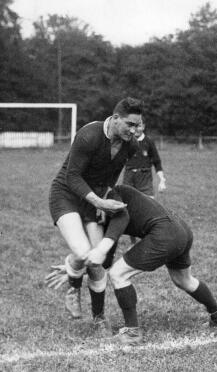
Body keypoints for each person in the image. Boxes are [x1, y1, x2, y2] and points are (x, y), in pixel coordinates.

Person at [46, 184, 217, 345]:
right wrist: (81, 265)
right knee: (184, 280)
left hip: (164, 234)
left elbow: (120, 220)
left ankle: (132, 332)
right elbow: (106, 260)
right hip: (181, 231)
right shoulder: (113, 204)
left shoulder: (114, 197)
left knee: (119, 274)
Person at [48, 97, 142, 328]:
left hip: (95, 199)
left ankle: (99, 319)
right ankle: (73, 285)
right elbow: (72, 177)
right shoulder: (89, 135)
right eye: (130, 124)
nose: (135, 130)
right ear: (116, 118)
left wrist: (104, 199)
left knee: (96, 260)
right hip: (66, 195)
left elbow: (111, 176)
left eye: (137, 125)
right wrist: (99, 202)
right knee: (82, 253)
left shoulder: (131, 146)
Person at [123, 121, 166, 198]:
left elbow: (157, 162)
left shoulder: (149, 142)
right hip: (128, 177)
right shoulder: (125, 141)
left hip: (145, 178)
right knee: (126, 203)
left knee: (148, 204)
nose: (136, 129)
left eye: (138, 126)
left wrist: (162, 180)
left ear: (143, 127)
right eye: (134, 126)